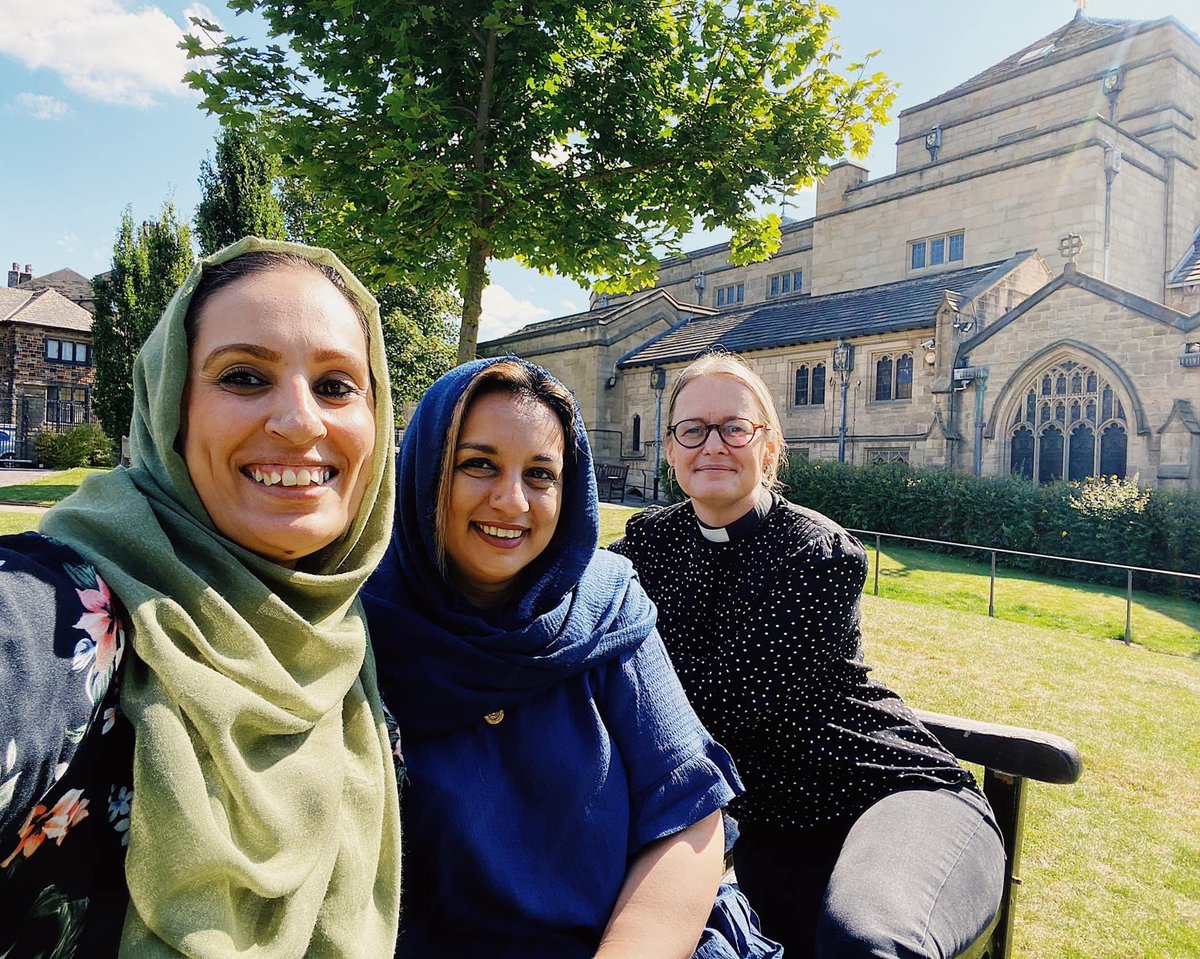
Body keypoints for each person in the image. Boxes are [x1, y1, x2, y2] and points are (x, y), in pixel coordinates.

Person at [0, 238, 402, 958]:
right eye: (245, 376)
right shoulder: (61, 618)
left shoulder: (353, 647)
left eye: (338, 385)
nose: (301, 421)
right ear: (170, 408)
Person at [362, 357, 780, 959]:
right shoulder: (360, 625)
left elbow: (689, 812)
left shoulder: (605, 608)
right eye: (478, 464)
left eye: (541, 474)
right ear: (425, 471)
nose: (512, 501)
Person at [608, 352, 1006, 958]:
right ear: (669, 449)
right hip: (774, 827)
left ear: (767, 448)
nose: (711, 444)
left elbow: (723, 706)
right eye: (692, 429)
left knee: (866, 943)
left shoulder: (815, 551)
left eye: (734, 428)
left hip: (890, 797)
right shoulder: (649, 543)